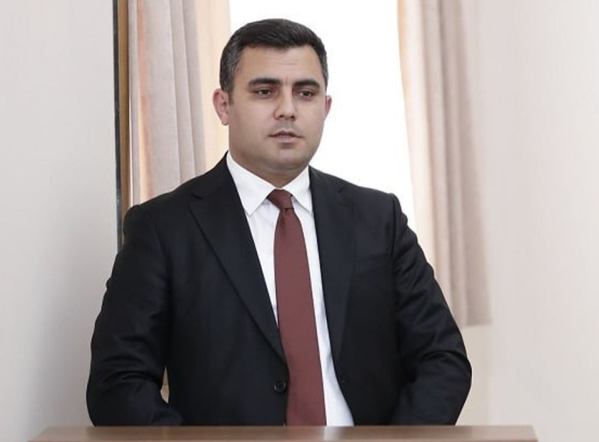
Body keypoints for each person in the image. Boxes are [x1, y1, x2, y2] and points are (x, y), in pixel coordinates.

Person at [87, 18, 471, 426]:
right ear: (223, 105)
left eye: (305, 93)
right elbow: (118, 382)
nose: (287, 109)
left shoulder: (379, 219)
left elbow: (442, 358)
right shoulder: (163, 228)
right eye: (264, 91)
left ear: (325, 108)